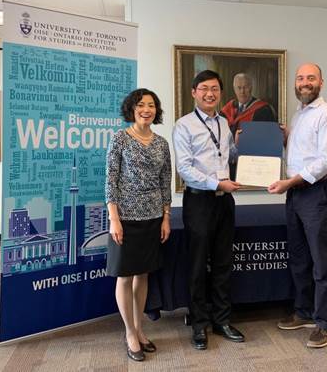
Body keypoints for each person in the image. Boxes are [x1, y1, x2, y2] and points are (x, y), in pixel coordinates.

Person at [268, 63, 327, 349]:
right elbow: (301, 153)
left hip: (316, 193)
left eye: (311, 78)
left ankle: (325, 322)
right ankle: (304, 312)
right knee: (299, 258)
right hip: (296, 194)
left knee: (322, 261)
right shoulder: (299, 114)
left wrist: (289, 182)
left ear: (321, 82)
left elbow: (326, 161)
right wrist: (286, 139)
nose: (305, 82)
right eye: (300, 78)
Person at [172, 69, 245, 350]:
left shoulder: (224, 123)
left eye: (214, 88)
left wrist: (240, 146)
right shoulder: (184, 125)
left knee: (224, 262)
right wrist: (216, 183)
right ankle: (199, 323)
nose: (209, 94)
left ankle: (221, 320)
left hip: (224, 201)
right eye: (204, 88)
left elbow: (227, 156)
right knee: (198, 264)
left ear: (221, 93)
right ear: (194, 92)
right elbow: (185, 169)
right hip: (199, 201)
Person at [105, 88, 172, 362]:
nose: (146, 109)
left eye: (151, 105)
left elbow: (165, 181)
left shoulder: (161, 143)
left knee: (143, 275)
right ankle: (129, 333)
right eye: (141, 105)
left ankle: (140, 329)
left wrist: (166, 217)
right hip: (125, 218)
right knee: (125, 276)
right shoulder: (119, 139)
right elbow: (111, 180)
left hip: (153, 217)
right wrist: (114, 219)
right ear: (132, 109)